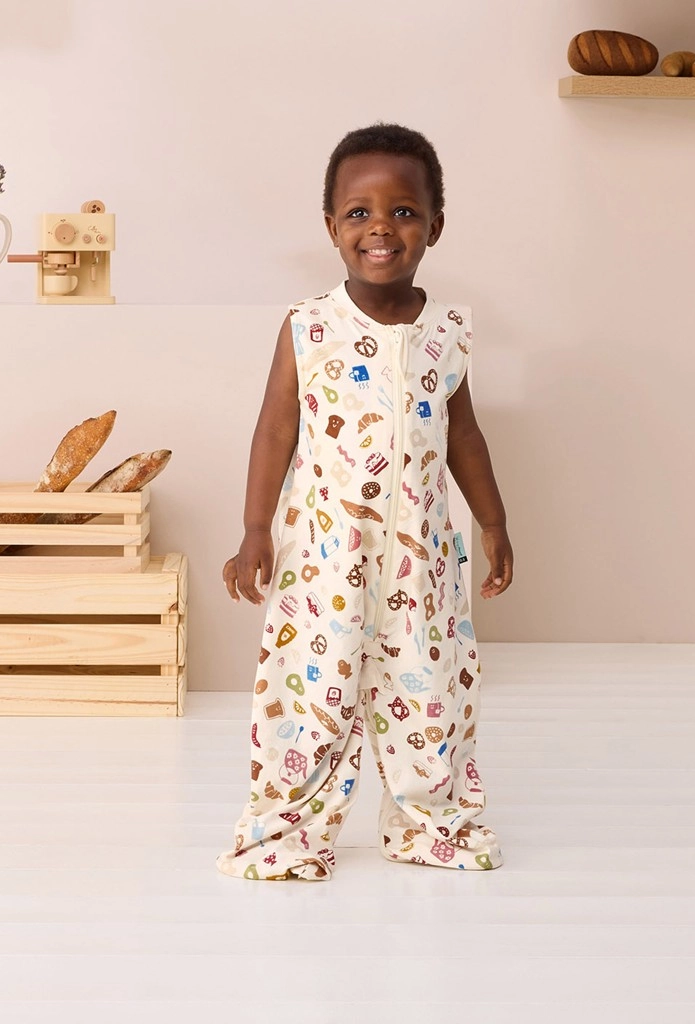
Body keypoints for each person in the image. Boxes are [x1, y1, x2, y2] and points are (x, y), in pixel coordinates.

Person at [218, 123, 513, 881]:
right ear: (331, 227)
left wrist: (494, 521)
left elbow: (463, 433)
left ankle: (428, 821)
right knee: (311, 695)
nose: (381, 226)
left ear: (434, 227)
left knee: (430, 692)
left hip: (421, 564)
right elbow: (275, 428)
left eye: (404, 211)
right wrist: (254, 529)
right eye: (359, 212)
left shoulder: (448, 331)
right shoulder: (310, 326)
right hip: (326, 562)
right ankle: (287, 828)